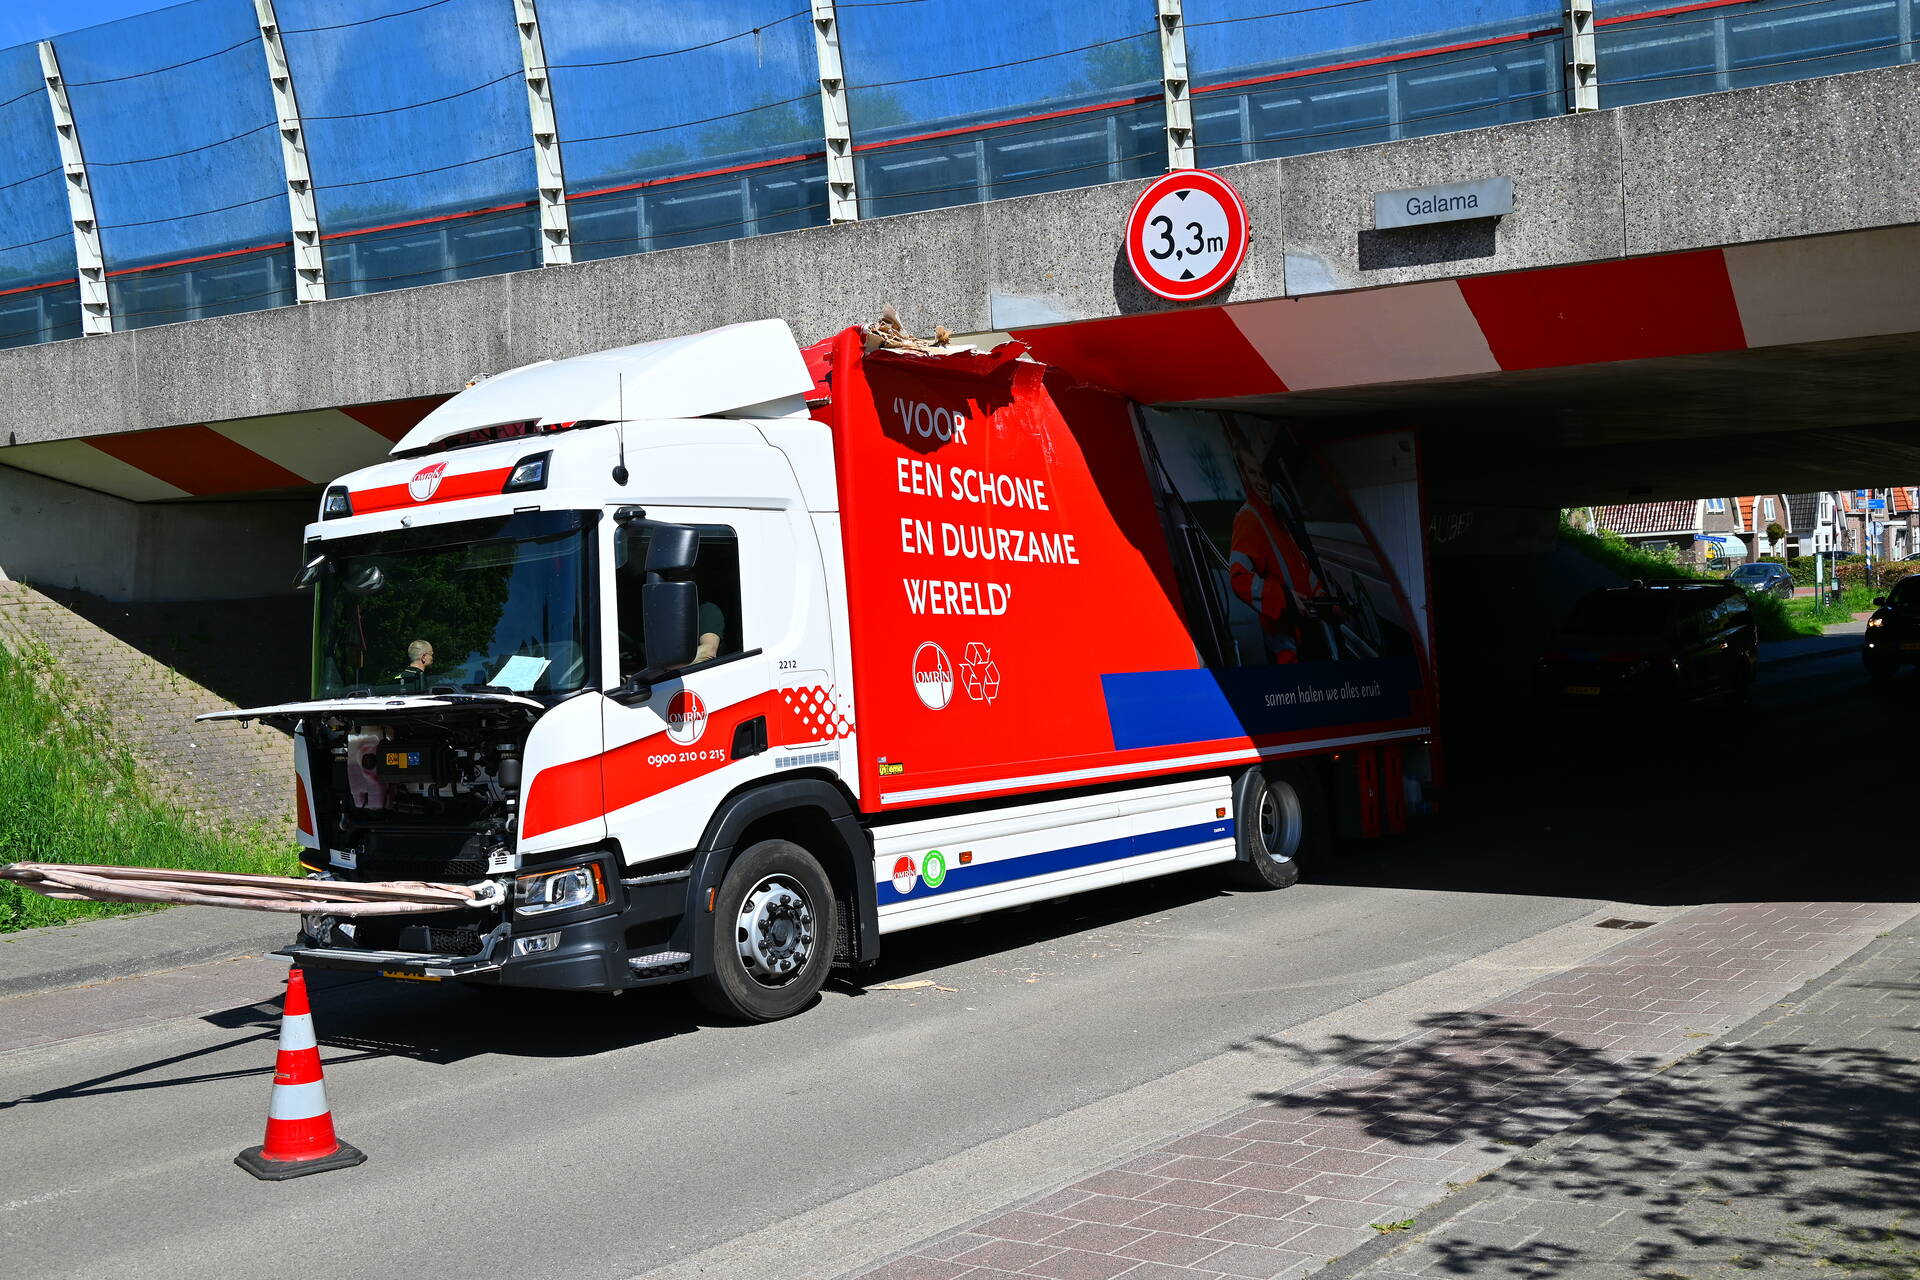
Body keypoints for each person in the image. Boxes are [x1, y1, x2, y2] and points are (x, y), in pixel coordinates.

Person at [1224, 424, 1327, 664]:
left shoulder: (1275, 518)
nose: (1260, 481)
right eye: (1253, 474)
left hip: (1306, 635)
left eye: (1261, 474)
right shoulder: (1249, 518)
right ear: (1243, 476)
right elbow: (1239, 578)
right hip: (1288, 648)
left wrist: (1324, 600)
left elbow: (1302, 569)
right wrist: (1284, 599)